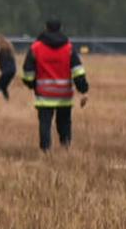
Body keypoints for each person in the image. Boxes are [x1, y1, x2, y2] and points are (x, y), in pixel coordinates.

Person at [20, 19, 89, 152]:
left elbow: (28, 72)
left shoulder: (36, 48)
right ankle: (65, 147)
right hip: (64, 94)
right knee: (64, 123)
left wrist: (32, 84)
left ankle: (46, 150)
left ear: (45, 28)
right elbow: (78, 71)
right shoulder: (68, 48)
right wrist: (83, 89)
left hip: (44, 95)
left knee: (45, 124)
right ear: (61, 28)